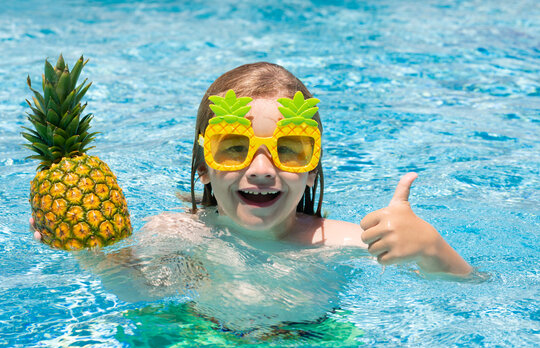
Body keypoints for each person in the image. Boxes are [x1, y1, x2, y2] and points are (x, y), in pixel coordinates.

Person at [31, 62, 471, 277]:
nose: (261, 170)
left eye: (291, 150)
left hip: (313, 341)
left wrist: (432, 249)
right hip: (196, 340)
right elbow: (142, 290)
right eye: (234, 148)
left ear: (314, 169)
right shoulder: (175, 234)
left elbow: (472, 292)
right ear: (203, 166)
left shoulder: (347, 240)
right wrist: (84, 251)